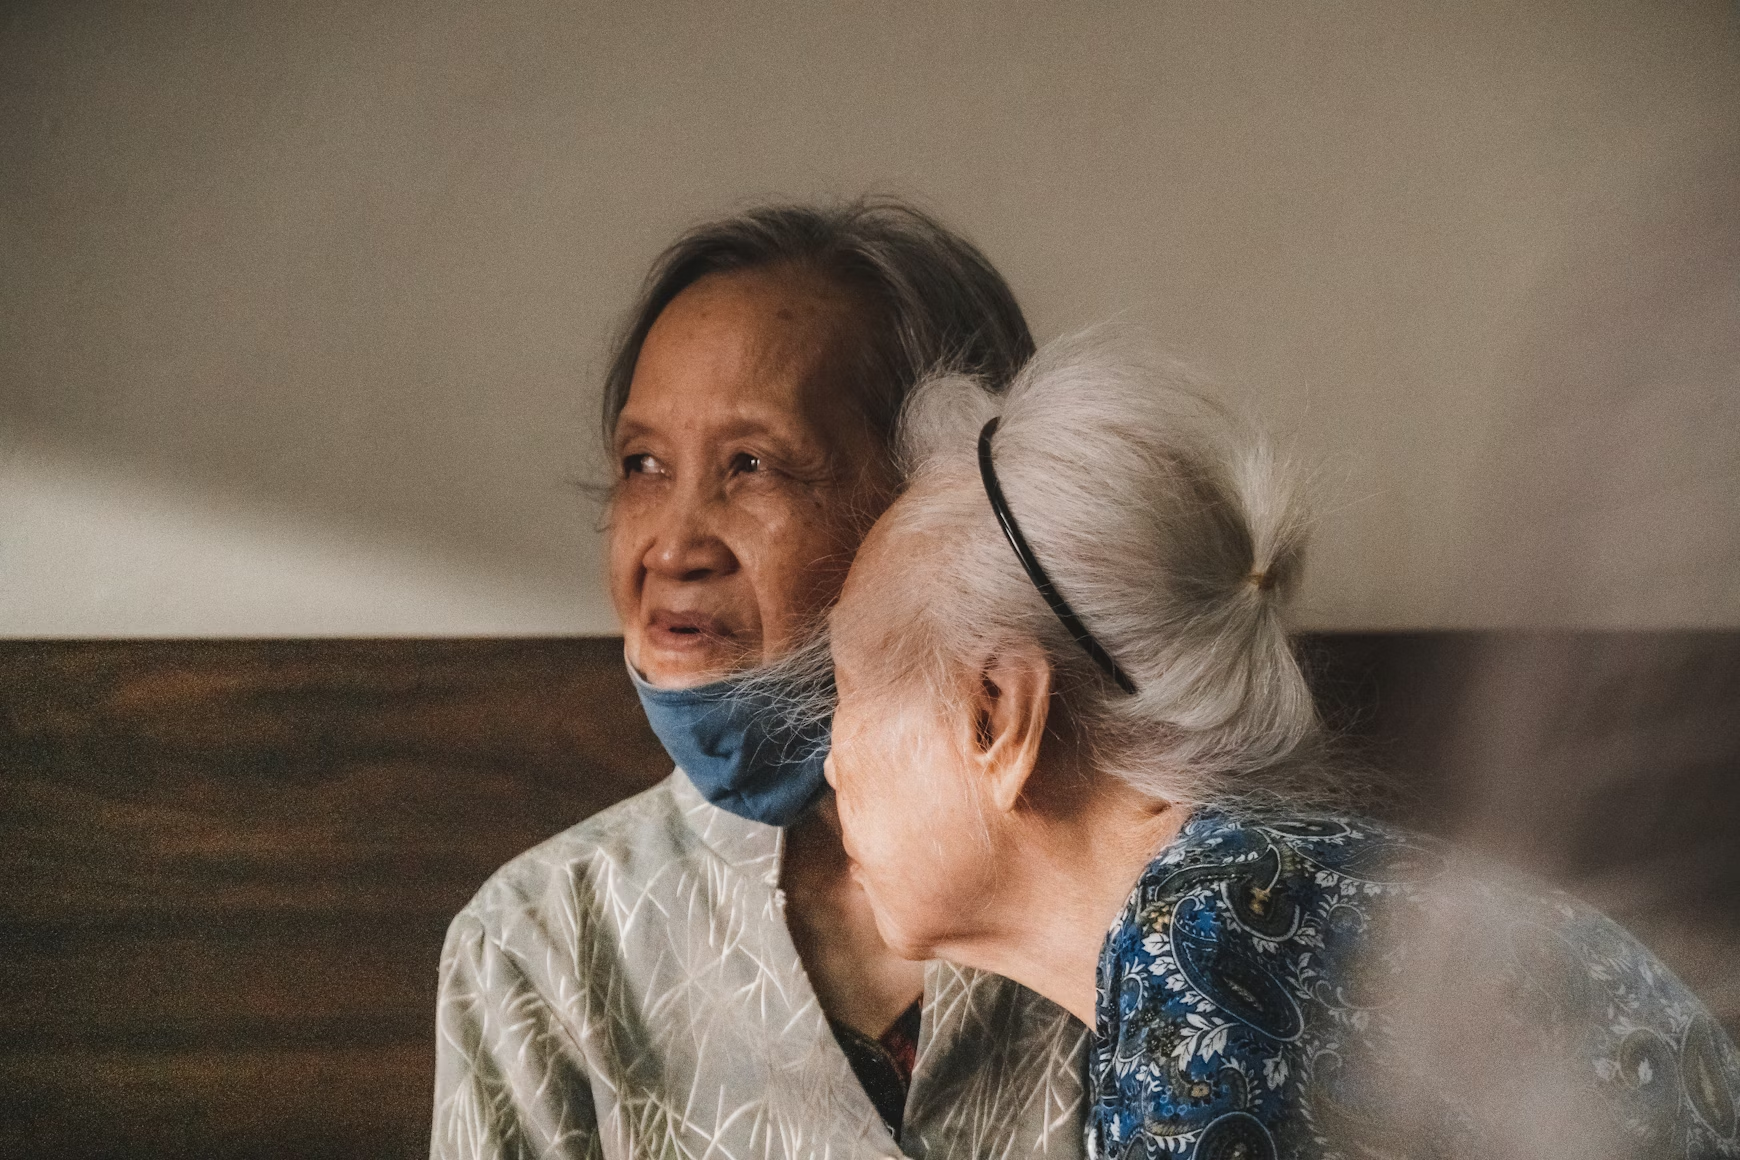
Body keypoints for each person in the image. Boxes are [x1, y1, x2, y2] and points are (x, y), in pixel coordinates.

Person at [821, 334, 1740, 1159]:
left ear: (997, 716)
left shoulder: (1200, 943)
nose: (829, 763)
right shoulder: (1247, 902)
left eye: (848, 694)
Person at [431, 199, 1090, 1160]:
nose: (672, 545)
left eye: (753, 465)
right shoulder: (540, 942)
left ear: (944, 510)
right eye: (642, 464)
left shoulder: (1140, 898)